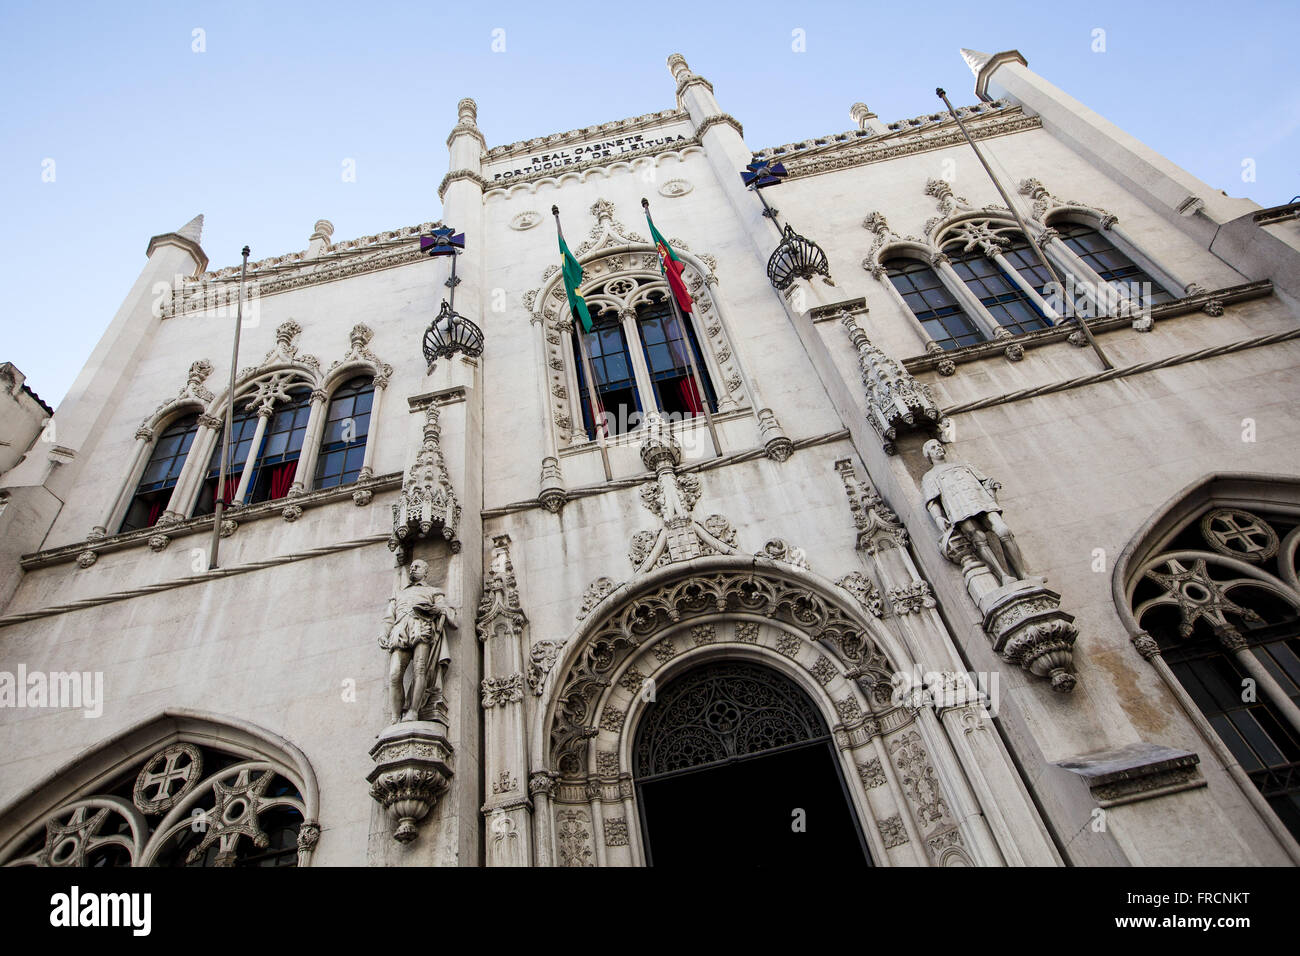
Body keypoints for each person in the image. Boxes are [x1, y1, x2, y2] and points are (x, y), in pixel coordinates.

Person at [380, 559, 457, 722]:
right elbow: (388, 618)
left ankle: (414, 711)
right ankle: (395, 716)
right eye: (412, 566)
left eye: (417, 566)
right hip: (400, 631)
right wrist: (383, 634)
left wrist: (437, 609)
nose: (413, 569)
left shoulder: (434, 591)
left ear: (426, 571)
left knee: (420, 669)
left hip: (421, 628)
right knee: (394, 674)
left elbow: (449, 614)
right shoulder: (399, 594)